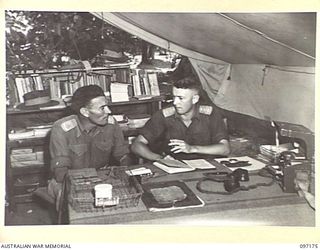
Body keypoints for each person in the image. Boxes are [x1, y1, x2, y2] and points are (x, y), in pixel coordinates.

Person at [48, 85, 130, 209]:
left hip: (102, 177)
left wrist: (125, 174)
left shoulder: (111, 124)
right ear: (85, 112)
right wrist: (85, 185)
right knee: (72, 207)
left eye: (107, 106)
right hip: (68, 181)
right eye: (102, 108)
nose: (109, 111)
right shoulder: (61, 128)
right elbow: (60, 172)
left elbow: (123, 155)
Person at [131, 77, 230, 161]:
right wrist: (160, 159)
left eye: (181, 98)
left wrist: (191, 148)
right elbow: (136, 145)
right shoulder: (164, 116)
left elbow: (225, 149)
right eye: (174, 97)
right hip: (174, 168)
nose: (175, 102)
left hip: (207, 168)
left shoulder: (210, 114)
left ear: (195, 99)